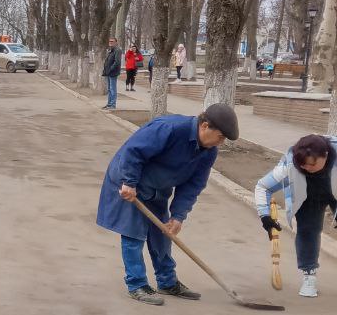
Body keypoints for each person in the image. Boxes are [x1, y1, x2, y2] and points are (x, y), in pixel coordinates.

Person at [95, 103, 239, 304]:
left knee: (163, 235)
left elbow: (193, 185)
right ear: (205, 126)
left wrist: (178, 215)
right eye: (221, 137)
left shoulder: (208, 152)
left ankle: (167, 282)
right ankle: (137, 284)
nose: (220, 143)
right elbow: (133, 152)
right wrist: (129, 181)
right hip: (131, 185)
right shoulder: (169, 129)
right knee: (133, 234)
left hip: (157, 189)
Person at [255, 133, 337, 298]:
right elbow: (263, 186)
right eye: (302, 165)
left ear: (326, 156)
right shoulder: (291, 163)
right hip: (308, 195)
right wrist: (265, 216)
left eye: (311, 164)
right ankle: (309, 276)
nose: (306, 168)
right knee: (308, 231)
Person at [101, 37, 121, 110]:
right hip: (108, 72)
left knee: (113, 89)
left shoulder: (117, 50)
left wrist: (111, 69)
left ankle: (113, 105)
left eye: (112, 41)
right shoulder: (111, 50)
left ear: (116, 42)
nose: (110, 42)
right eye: (109, 41)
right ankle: (109, 104)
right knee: (109, 89)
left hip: (113, 72)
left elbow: (117, 62)